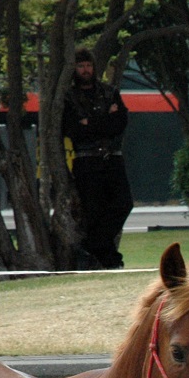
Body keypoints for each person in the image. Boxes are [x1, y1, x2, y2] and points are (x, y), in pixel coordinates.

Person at [62, 48, 133, 270]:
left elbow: (119, 124)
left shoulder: (110, 92)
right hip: (86, 161)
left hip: (112, 158)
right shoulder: (69, 97)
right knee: (94, 210)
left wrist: (90, 123)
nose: (85, 70)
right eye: (81, 66)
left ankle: (92, 247)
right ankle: (108, 257)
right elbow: (73, 130)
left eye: (88, 65)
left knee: (123, 203)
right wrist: (104, 120)